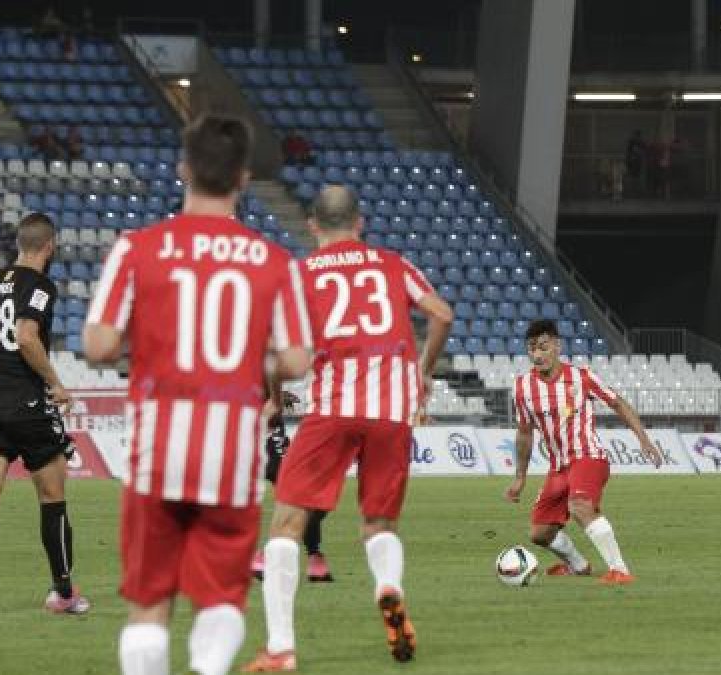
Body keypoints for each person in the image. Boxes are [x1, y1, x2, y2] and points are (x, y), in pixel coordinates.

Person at [83, 114, 312, 675]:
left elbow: (99, 344)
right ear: (243, 178)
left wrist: (150, 334)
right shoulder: (273, 262)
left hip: (157, 448)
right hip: (230, 453)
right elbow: (299, 359)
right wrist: (252, 352)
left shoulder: (137, 249)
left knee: (148, 602)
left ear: (183, 169)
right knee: (221, 596)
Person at [242, 185, 453, 671]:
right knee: (379, 523)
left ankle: (280, 649)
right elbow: (441, 314)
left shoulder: (299, 275)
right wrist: (422, 370)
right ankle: (388, 587)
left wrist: (273, 398)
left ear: (313, 225)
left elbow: (277, 355)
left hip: (333, 406)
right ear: (360, 224)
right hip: (392, 409)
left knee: (286, 525)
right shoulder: (393, 263)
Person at [0, 212, 88, 614]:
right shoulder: (38, 285)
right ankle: (64, 594)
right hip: (28, 405)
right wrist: (56, 383)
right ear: (49, 246)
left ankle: (64, 593)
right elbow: (25, 336)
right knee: (52, 495)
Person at [505, 320, 664, 586]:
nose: (537, 355)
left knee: (580, 506)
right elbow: (524, 432)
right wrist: (520, 476)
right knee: (539, 534)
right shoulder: (522, 387)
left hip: (588, 456)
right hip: (558, 467)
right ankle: (578, 565)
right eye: (531, 349)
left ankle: (619, 570)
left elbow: (618, 403)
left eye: (543, 347)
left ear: (557, 346)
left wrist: (644, 439)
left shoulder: (582, 377)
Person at [250, 388, 334, 583]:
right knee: (305, 499)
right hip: (263, 446)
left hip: (273, 445)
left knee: (308, 499)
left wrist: (278, 395)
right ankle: (268, 557)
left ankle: (313, 557)